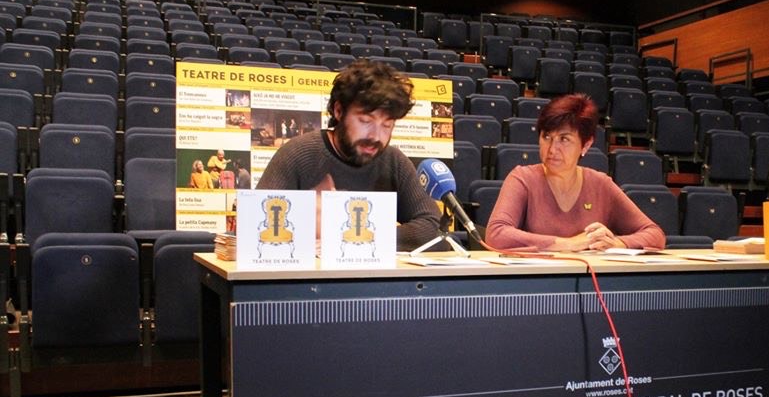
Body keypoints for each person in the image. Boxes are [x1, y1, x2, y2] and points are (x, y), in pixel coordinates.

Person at [256, 59, 441, 251]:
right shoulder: (298, 153)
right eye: (365, 121)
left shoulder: (394, 161)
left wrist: (355, 236)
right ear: (339, 111)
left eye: (387, 125)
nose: (376, 136)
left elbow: (433, 228)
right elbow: (256, 224)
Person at [485, 94, 666, 251]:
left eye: (564, 139)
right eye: (546, 137)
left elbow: (655, 234)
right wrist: (567, 244)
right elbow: (496, 234)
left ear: (586, 145)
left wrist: (618, 243)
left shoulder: (601, 184)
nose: (552, 149)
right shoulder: (522, 178)